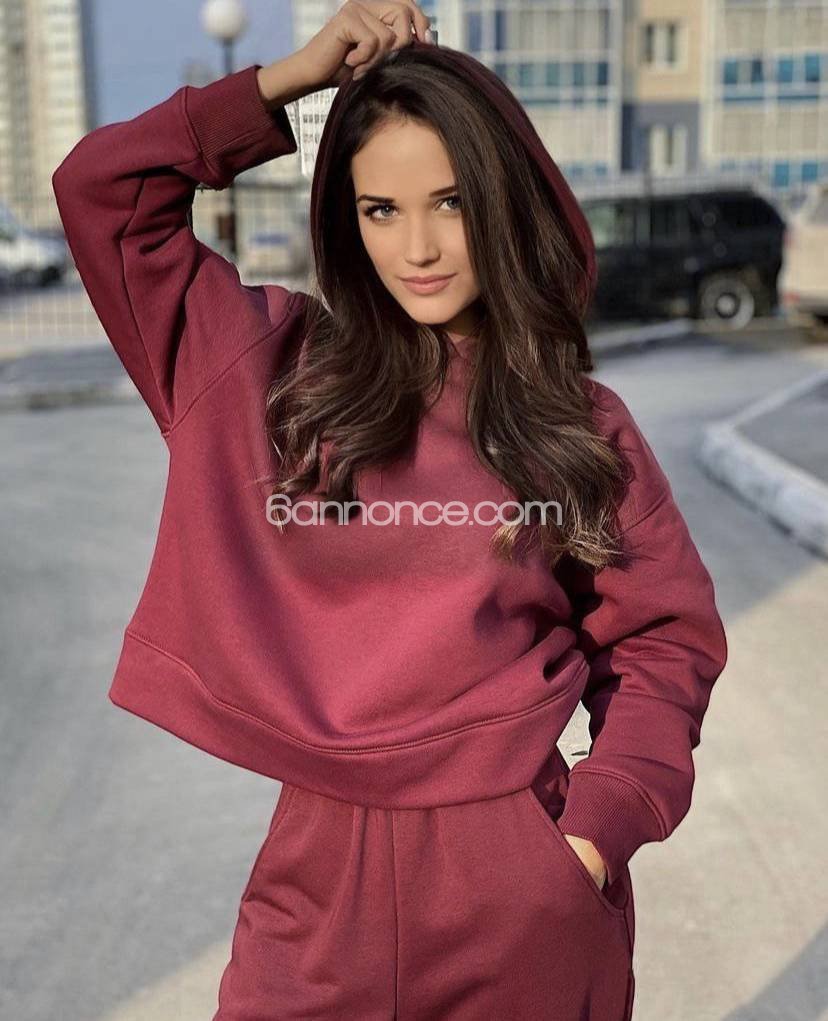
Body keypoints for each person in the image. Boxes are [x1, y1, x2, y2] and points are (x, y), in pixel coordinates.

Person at [51, 2, 728, 1018]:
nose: (418, 246)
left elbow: (663, 639)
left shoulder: (576, 419)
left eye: (450, 202)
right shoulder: (269, 368)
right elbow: (104, 193)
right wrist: (286, 81)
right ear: (346, 217)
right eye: (381, 209)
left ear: (501, 198)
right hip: (320, 881)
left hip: (520, 879)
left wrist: (599, 824)